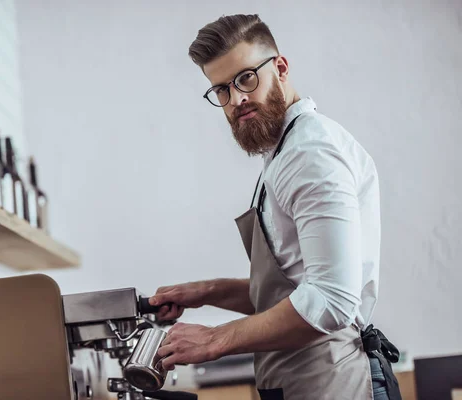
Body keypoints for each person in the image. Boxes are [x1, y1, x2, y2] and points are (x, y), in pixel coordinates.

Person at [149, 14, 402, 400]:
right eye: (221, 90)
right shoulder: (282, 152)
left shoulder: (310, 154)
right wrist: (204, 292)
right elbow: (290, 290)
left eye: (246, 78)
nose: (237, 100)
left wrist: (214, 340)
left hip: (337, 384)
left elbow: (331, 300)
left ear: (280, 68)